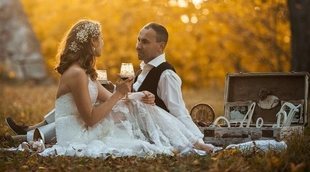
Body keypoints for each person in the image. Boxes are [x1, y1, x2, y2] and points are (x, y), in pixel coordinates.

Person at [9, 19, 215, 157]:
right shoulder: (77, 74)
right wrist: (119, 94)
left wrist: (139, 96)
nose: (103, 42)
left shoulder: (86, 73)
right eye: (101, 38)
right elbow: (92, 116)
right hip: (77, 135)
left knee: (137, 104)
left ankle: (193, 142)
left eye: (144, 41)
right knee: (134, 110)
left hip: (83, 127)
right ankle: (192, 144)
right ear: (92, 42)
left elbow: (119, 99)